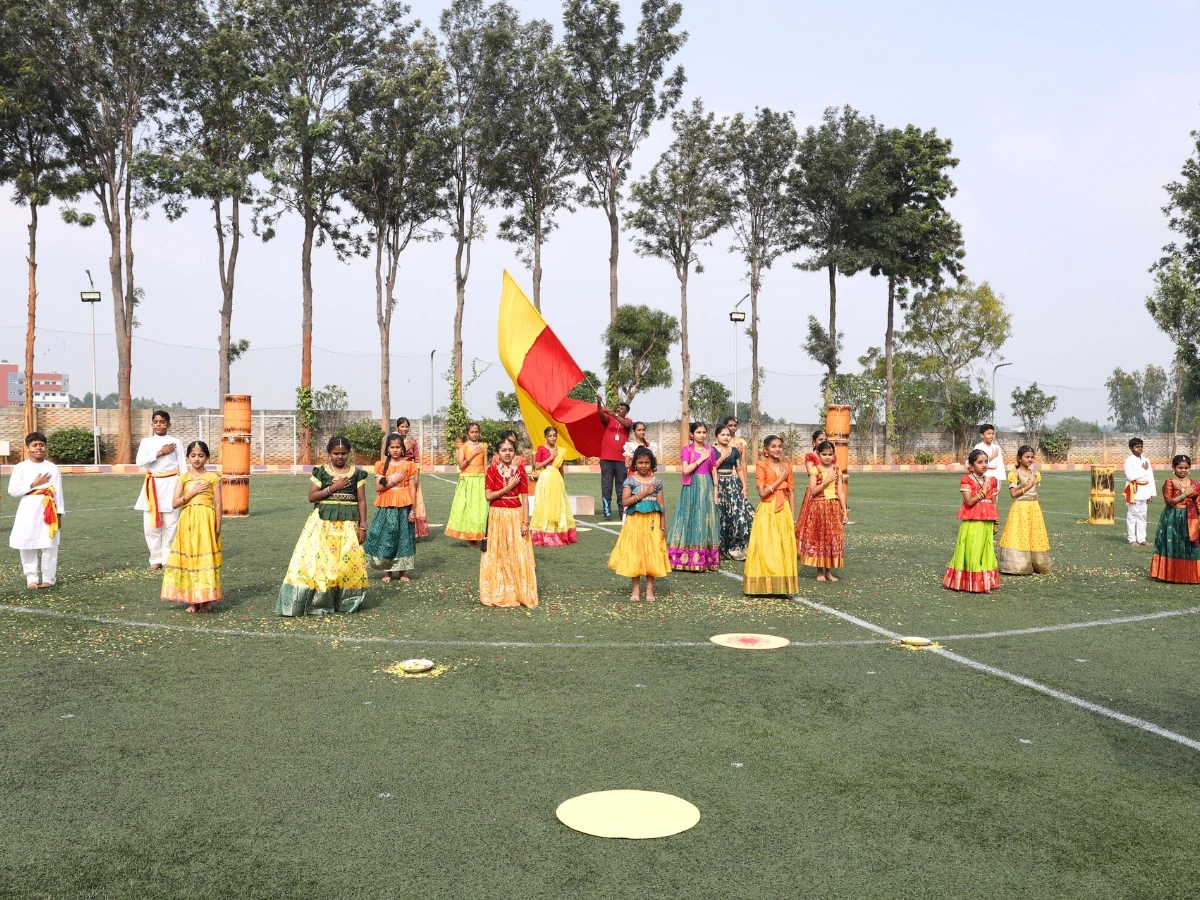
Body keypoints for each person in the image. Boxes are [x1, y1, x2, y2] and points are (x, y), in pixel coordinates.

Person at [277, 436, 370, 616]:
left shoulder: (357, 473)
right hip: (322, 525)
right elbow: (312, 497)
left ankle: (345, 601)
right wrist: (333, 488)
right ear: (329, 454)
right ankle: (316, 601)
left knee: (346, 561)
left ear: (349, 453)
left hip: (349, 526)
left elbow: (362, 501)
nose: (340, 457)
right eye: (336, 453)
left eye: (343, 453)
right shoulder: (321, 472)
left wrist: (363, 527)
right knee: (319, 562)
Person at [160, 440, 222, 612]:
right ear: (187, 457)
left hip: (206, 522)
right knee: (189, 559)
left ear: (207, 458)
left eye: (201, 455)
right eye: (193, 455)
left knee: (206, 558)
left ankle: (207, 600)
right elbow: (174, 504)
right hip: (187, 522)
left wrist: (217, 528)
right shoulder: (183, 478)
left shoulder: (213, 478)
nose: (197, 459)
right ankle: (193, 601)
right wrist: (192, 492)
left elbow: (219, 505)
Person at [480, 436, 539, 608]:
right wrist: (507, 488)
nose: (507, 453)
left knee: (518, 553)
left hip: (515, 515)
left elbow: (526, 498)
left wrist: (525, 522)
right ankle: (498, 591)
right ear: (497, 453)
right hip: (497, 515)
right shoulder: (491, 470)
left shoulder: (520, 470)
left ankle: (519, 592)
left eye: (510, 450)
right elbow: (488, 496)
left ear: (515, 452)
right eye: (504, 450)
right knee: (498, 554)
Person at [608, 445, 670, 601]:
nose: (643, 466)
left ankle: (650, 590)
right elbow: (625, 501)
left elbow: (661, 505)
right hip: (635, 523)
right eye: (640, 463)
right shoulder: (630, 481)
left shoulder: (657, 482)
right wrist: (644, 493)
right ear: (635, 463)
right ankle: (635, 590)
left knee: (651, 554)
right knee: (635, 554)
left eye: (647, 463)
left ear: (651, 464)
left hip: (652, 523)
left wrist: (663, 526)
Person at [8, 432, 64, 589]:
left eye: (41, 445)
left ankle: (48, 578)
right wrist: (33, 484)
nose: (38, 448)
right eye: (34, 445)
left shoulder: (53, 468)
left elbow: (58, 493)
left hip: (48, 510)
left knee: (50, 545)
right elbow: (13, 491)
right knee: (27, 543)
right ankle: (31, 578)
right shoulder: (21, 468)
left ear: (45, 447)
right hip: (27, 510)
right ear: (28, 448)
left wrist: (59, 514)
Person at [744, 435, 799, 595]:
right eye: (773, 446)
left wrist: (792, 516)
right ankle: (764, 586)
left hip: (784, 511)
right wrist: (779, 480)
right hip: (768, 509)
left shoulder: (787, 466)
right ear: (766, 450)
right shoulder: (762, 465)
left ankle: (781, 586)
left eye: (780, 446)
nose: (777, 449)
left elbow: (792, 492)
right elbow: (762, 493)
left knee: (783, 546)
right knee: (767, 546)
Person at [134, 410, 187, 571]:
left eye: (162, 422)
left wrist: (184, 485)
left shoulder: (176, 442)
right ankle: (155, 559)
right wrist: (160, 452)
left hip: (172, 483)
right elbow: (139, 462)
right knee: (151, 526)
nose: (159, 425)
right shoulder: (147, 442)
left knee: (171, 524)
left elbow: (182, 466)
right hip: (152, 485)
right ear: (152, 424)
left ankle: (167, 559)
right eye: (156, 422)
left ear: (168, 424)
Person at [943, 448, 1001, 593]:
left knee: (985, 550)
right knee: (972, 550)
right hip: (973, 521)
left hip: (987, 520)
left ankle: (984, 583)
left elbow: (994, 503)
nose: (984, 464)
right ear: (972, 465)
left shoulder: (992, 480)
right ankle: (970, 583)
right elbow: (969, 502)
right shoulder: (967, 479)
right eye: (980, 462)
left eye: (986, 461)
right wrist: (983, 492)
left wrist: (996, 521)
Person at [364, 432, 418, 583]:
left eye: (398, 447)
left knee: (403, 538)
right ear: (387, 449)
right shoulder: (382, 466)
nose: (395, 450)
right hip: (387, 507)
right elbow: (378, 488)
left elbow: (413, 490)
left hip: (404, 507)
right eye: (392, 447)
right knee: (387, 537)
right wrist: (394, 480)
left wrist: (413, 510)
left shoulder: (409, 466)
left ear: (402, 449)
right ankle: (387, 571)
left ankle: (402, 572)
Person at [667, 422, 721, 572]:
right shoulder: (687, 449)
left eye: (704, 432)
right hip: (692, 486)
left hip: (708, 487)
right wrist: (701, 458)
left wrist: (716, 490)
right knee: (688, 517)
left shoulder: (710, 450)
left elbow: (714, 471)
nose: (702, 435)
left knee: (705, 518)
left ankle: (706, 560)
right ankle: (683, 558)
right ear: (692, 434)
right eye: (698, 432)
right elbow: (686, 470)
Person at [796, 440, 847, 581]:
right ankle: (819, 571)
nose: (827, 457)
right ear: (818, 454)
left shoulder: (837, 470)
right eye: (824, 454)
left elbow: (841, 492)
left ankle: (829, 571)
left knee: (832, 539)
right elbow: (813, 491)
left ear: (834, 455)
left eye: (830, 454)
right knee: (819, 538)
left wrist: (844, 511)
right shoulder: (815, 470)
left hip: (834, 508)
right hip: (818, 507)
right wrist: (828, 480)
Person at [997, 445, 1051, 575]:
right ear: (1019, 458)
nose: (1030, 459)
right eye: (1027, 457)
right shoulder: (1014, 474)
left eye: (1032, 457)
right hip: (1020, 508)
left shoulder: (1035, 474)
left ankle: (1037, 565)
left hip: (1033, 509)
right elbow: (1013, 494)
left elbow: (1036, 493)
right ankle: (1018, 566)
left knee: (1034, 535)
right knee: (1019, 535)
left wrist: (1037, 506)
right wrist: (1029, 486)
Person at [1150, 454, 1200, 584]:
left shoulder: (1194, 484)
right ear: (1173, 467)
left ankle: (1191, 576)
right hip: (1172, 517)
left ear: (1190, 468)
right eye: (1180, 468)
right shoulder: (1170, 482)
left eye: (1186, 468)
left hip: (1190, 518)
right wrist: (1185, 494)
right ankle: (1170, 575)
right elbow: (1169, 502)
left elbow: (1198, 504)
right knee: (1172, 545)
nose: (1183, 470)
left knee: (1189, 545)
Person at [530, 427, 578, 546]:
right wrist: (551, 457)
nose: (552, 438)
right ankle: (544, 531)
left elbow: (561, 468)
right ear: (545, 437)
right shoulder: (541, 449)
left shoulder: (560, 451)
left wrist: (562, 482)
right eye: (550, 436)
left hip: (557, 479)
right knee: (545, 503)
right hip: (545, 478)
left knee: (558, 504)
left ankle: (559, 531)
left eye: (554, 435)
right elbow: (537, 466)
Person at [713, 424, 753, 561]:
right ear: (716, 436)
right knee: (721, 516)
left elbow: (739, 468)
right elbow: (711, 468)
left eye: (728, 435)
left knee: (740, 515)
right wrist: (722, 457)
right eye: (723, 435)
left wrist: (744, 486)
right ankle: (719, 549)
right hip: (717, 485)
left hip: (733, 483)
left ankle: (738, 549)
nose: (726, 437)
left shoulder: (735, 450)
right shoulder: (712, 450)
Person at [445, 422, 489, 545]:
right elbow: (461, 465)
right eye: (472, 432)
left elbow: (485, 465)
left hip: (480, 479)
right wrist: (473, 454)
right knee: (467, 508)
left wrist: (487, 480)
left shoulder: (483, 446)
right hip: (467, 479)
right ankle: (469, 537)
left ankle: (479, 534)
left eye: (476, 432)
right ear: (467, 433)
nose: (474, 434)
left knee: (480, 508)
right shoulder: (463, 447)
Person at [597, 396, 633, 519]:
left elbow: (627, 425)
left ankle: (622, 513)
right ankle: (607, 513)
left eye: (621, 408)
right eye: (618, 408)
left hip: (621, 460)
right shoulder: (610, 420)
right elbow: (601, 414)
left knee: (621, 488)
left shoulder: (628, 421)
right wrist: (598, 401)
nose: (618, 409)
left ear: (626, 411)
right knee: (606, 487)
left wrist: (616, 416)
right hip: (606, 459)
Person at [395, 417, 429, 539]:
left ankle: (413, 531)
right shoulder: (394, 442)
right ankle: (399, 530)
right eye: (402, 426)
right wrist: (404, 448)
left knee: (413, 500)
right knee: (400, 500)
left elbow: (417, 459)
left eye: (406, 426)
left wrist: (417, 475)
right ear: (397, 427)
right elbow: (391, 456)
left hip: (412, 473)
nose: (404, 429)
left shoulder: (413, 442)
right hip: (398, 473)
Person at [1123, 437, 1157, 546]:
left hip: (1145, 490)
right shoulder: (1129, 461)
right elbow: (1131, 476)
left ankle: (1142, 539)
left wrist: (1151, 494)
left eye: (1141, 447)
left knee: (1142, 515)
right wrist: (1143, 469)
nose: (1140, 449)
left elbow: (1150, 477)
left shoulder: (1146, 460)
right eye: (1137, 447)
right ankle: (1132, 539)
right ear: (1131, 448)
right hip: (1134, 490)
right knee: (1132, 515)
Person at [793, 429, 828, 533]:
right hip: (815, 491)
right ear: (813, 442)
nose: (823, 441)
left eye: (825, 439)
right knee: (812, 521)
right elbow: (811, 472)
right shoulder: (810, 456)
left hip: (829, 491)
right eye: (820, 439)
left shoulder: (831, 456)